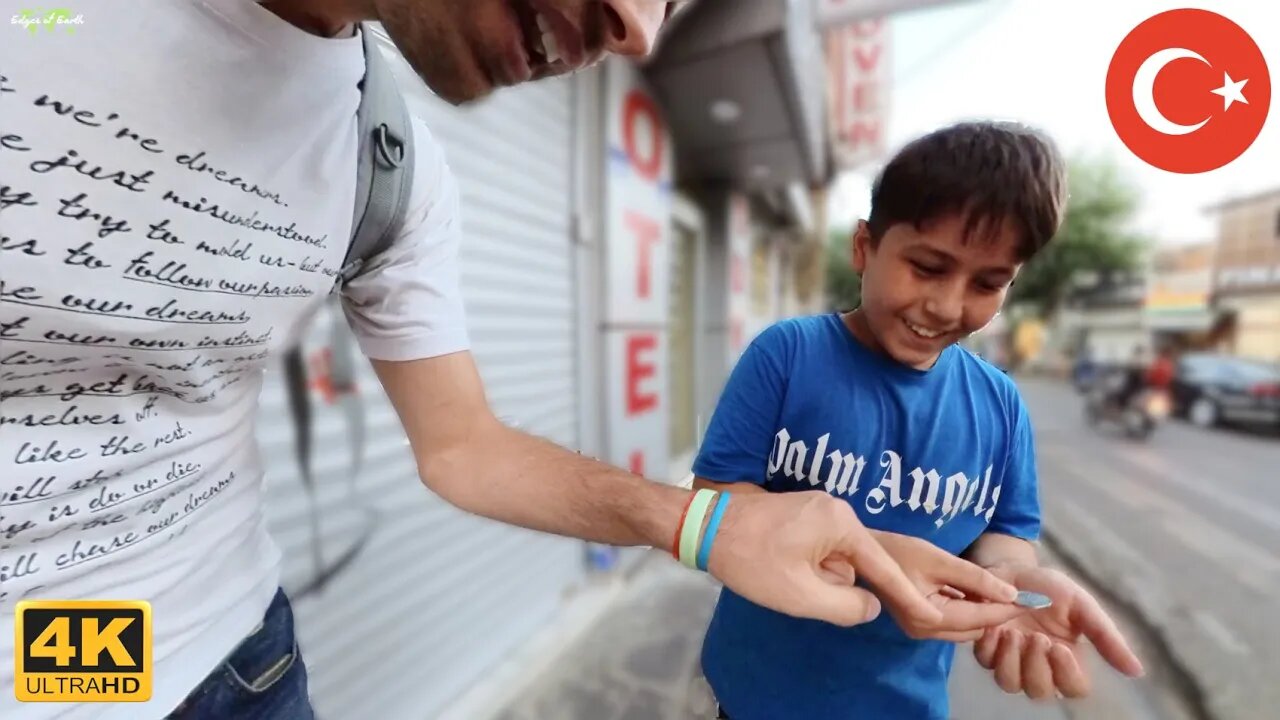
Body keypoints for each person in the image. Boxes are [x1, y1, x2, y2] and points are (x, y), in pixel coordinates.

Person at [0, 2, 1020, 718]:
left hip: (233, 656)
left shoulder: (387, 161)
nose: (640, 28)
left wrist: (703, 526)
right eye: (926, 263)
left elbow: (463, 447)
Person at [691, 121, 1147, 720]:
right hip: (756, 696)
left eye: (989, 283)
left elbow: (1007, 532)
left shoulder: (1001, 405)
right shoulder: (788, 355)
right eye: (928, 267)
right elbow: (716, 496)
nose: (948, 305)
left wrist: (1011, 588)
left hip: (905, 705)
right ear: (864, 248)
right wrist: (869, 554)